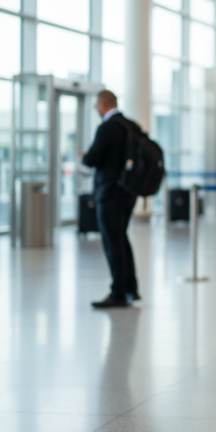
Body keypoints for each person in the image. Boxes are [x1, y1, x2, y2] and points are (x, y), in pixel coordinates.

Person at [81, 90, 141, 308]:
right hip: (128, 192)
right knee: (121, 238)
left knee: (112, 241)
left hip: (110, 193)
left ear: (104, 104)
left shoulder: (107, 128)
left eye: (97, 106)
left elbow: (91, 159)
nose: (97, 109)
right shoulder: (130, 125)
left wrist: (84, 156)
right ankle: (130, 288)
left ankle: (118, 292)